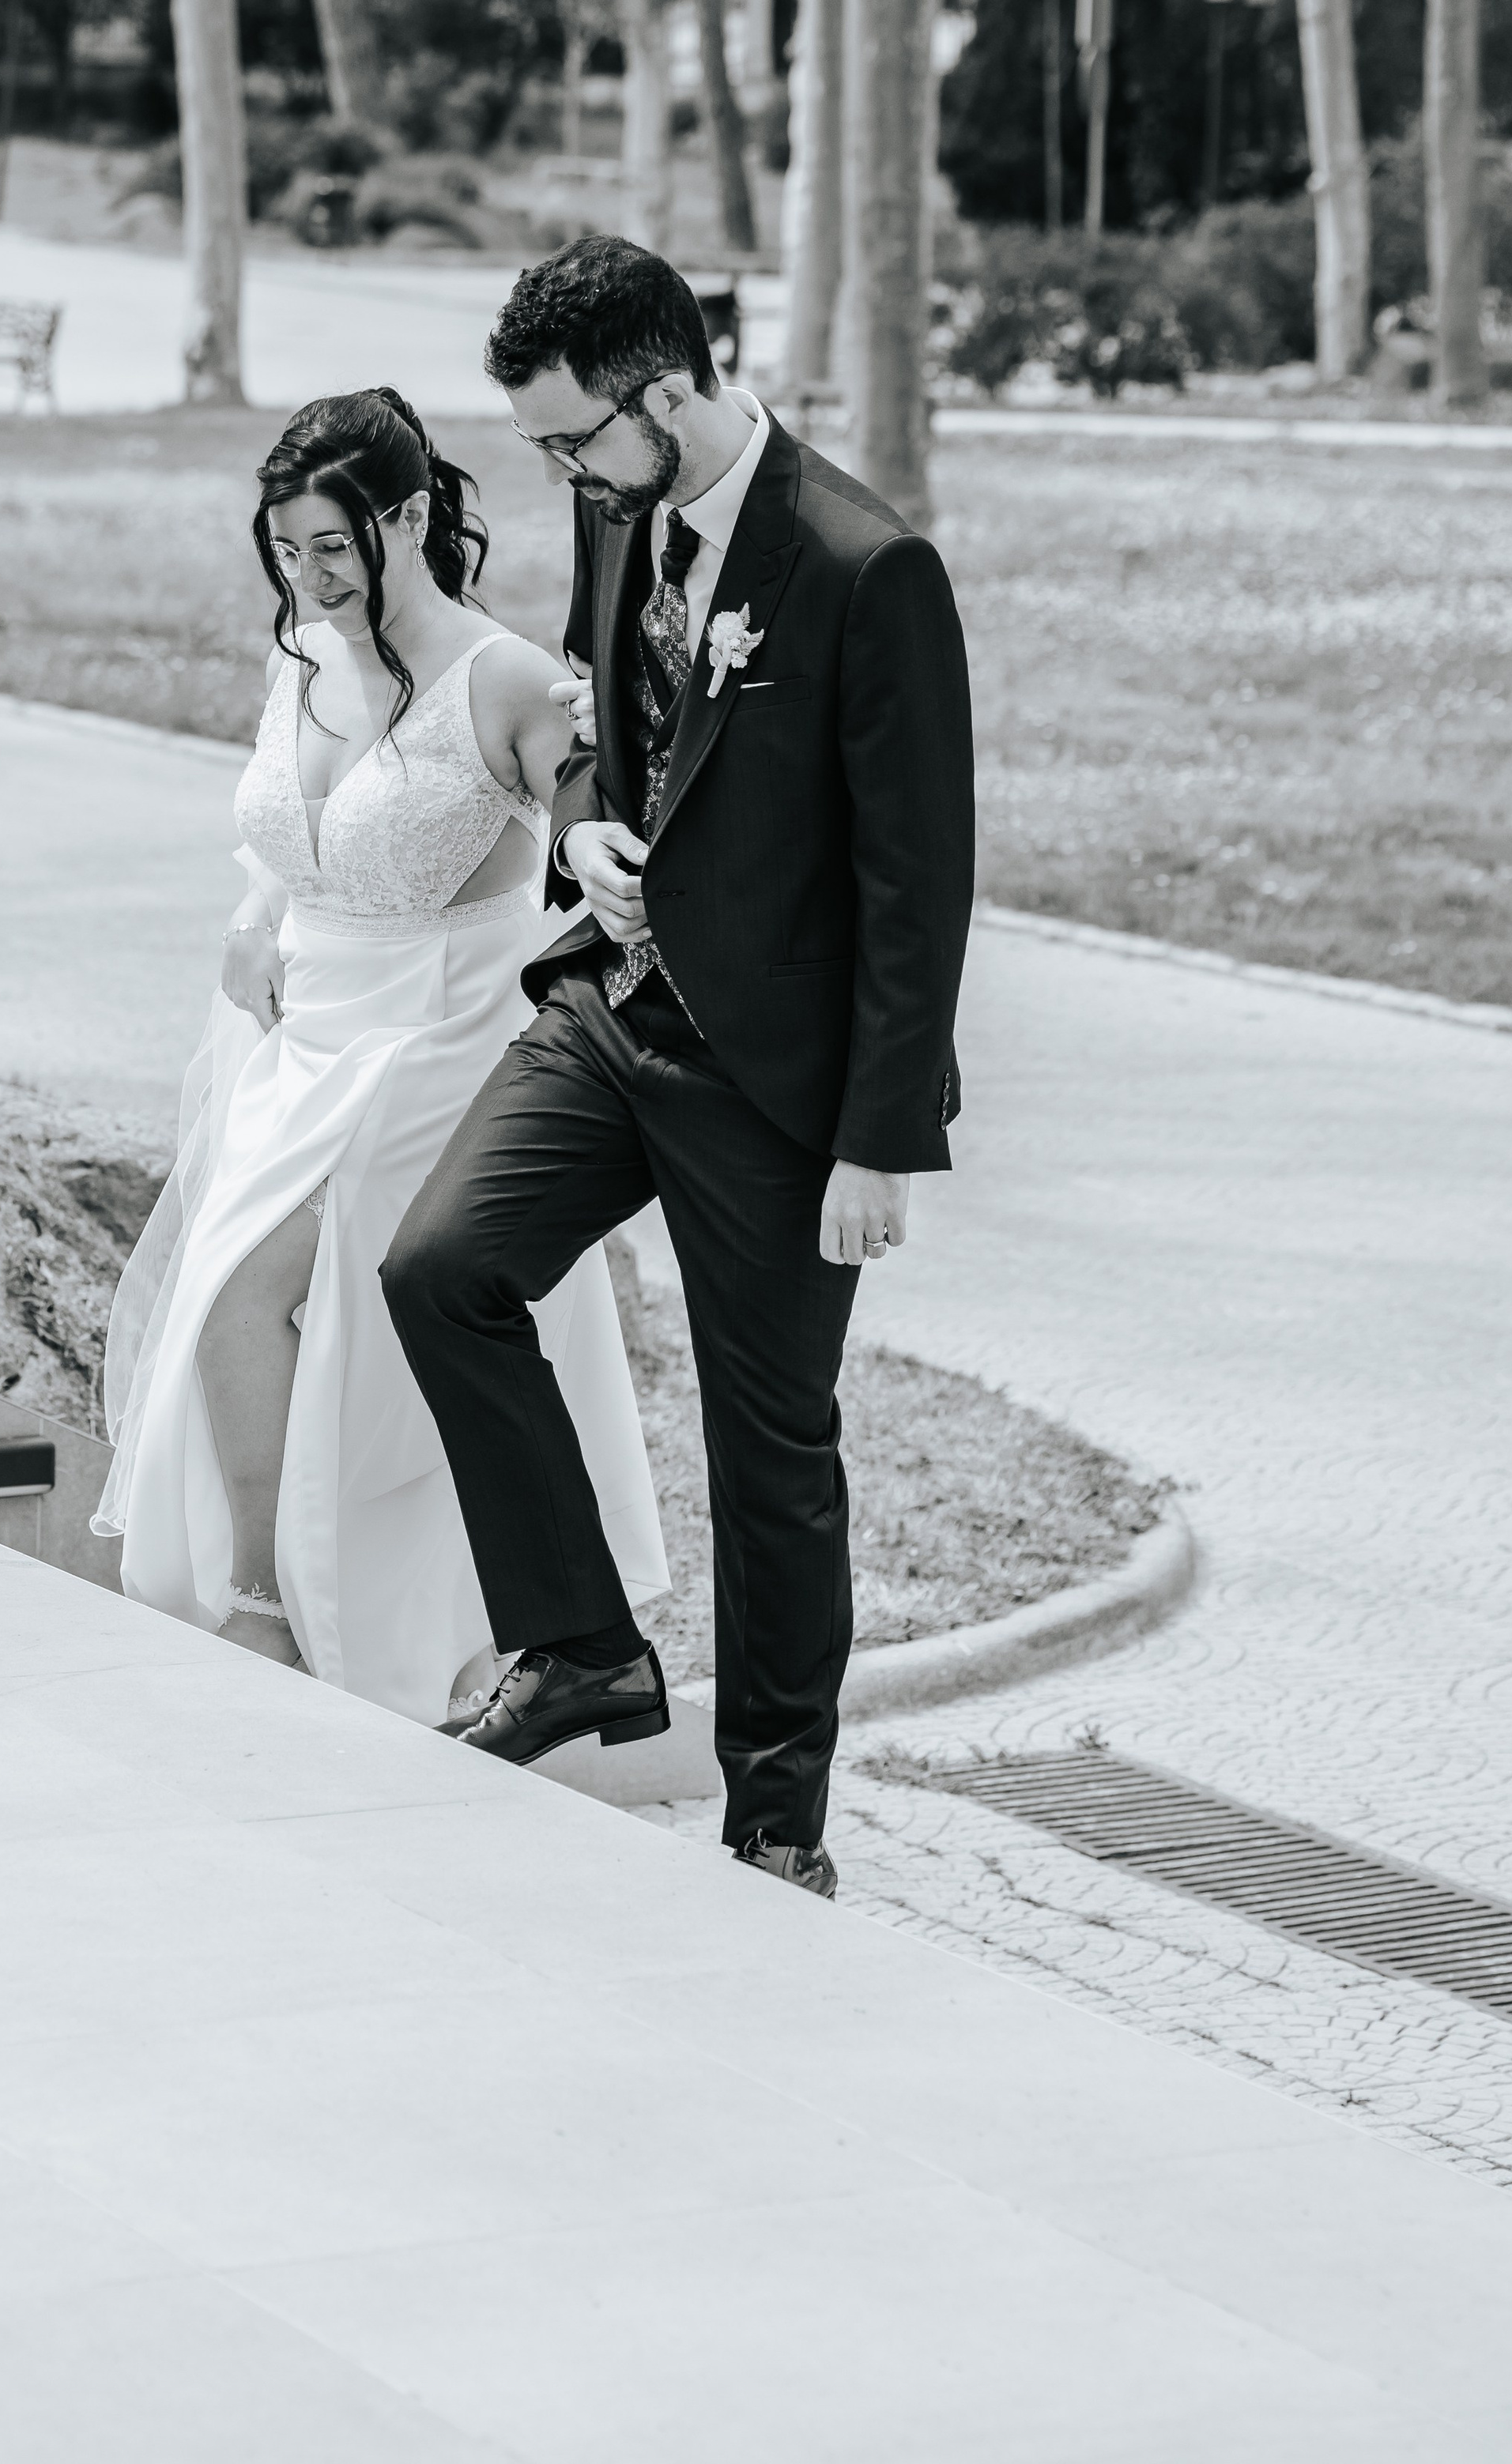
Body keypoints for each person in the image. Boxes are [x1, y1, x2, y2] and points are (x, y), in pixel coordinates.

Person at [382, 241, 975, 1893]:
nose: (561, 475)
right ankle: (578, 1642)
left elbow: (915, 890)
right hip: (610, 1016)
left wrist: (880, 1143)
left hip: (777, 1086)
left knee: (765, 1449)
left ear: (665, 391)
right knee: (437, 1269)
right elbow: (585, 734)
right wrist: (587, 838)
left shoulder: (866, 569)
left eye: (577, 441)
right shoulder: (615, 509)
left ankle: (776, 1826)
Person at [96, 386, 667, 1726]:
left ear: (411, 516)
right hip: (299, 1040)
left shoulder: (510, 680)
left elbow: (604, 831)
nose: (311, 577)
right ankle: (278, 1593)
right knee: (223, 1301)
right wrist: (253, 922)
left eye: (336, 546)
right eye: (288, 550)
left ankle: (273, 1611)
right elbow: (281, 836)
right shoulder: (304, 651)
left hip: (438, 1046)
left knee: (252, 1290)